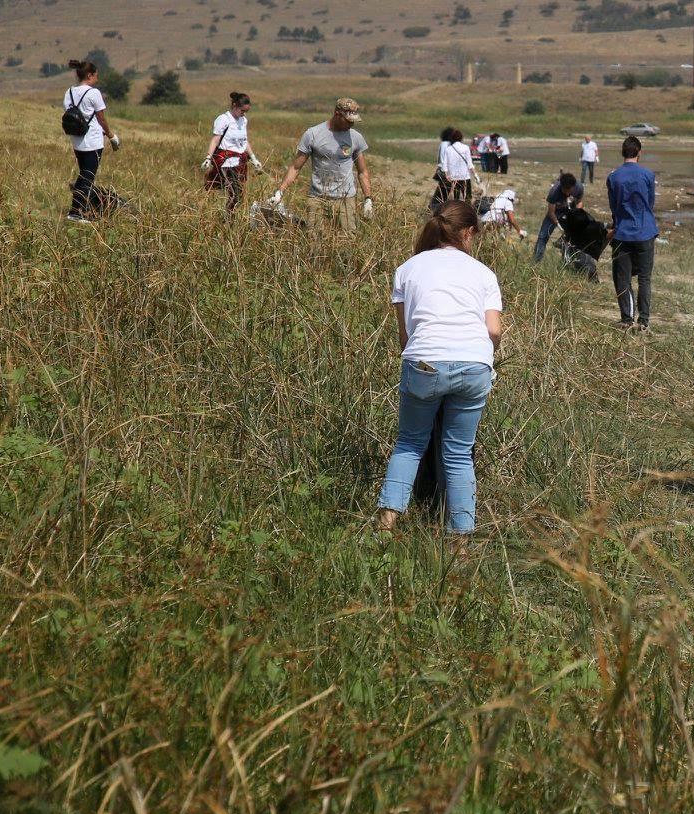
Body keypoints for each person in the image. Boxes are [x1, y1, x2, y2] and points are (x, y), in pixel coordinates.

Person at [374, 200, 503, 538]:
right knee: (459, 453)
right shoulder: (484, 273)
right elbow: (494, 331)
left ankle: (385, 528)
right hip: (475, 364)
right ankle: (460, 541)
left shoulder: (407, 269)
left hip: (425, 361)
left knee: (410, 444)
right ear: (467, 232)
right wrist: (485, 357)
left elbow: (405, 336)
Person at [270, 99, 374, 232]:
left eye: (353, 121)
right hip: (318, 198)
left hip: (345, 199)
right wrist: (280, 191)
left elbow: (362, 171)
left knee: (347, 240)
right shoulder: (313, 134)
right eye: (348, 120)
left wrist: (368, 199)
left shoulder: (355, 137)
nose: (351, 124)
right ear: (337, 114)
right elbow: (296, 167)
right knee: (315, 241)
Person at [606, 135, 657, 329]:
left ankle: (627, 318)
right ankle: (643, 320)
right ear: (639, 153)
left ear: (622, 152)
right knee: (644, 278)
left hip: (622, 233)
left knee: (622, 277)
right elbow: (650, 203)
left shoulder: (613, 177)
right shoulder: (647, 175)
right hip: (645, 230)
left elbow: (613, 206)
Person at [61, 58, 120, 222]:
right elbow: (101, 118)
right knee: (88, 177)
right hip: (93, 142)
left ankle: (75, 210)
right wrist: (111, 136)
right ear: (89, 75)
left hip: (77, 141)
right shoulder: (94, 93)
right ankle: (78, 213)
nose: (97, 79)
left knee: (83, 175)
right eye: (96, 76)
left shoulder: (69, 92)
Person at [202, 92, 264, 213]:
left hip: (240, 162)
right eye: (242, 110)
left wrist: (254, 158)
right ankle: (229, 220)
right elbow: (215, 140)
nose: (244, 113)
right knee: (236, 194)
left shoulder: (243, 120)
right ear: (234, 105)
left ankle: (229, 218)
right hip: (226, 161)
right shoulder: (223, 120)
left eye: (246, 111)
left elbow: (244, 142)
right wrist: (208, 158)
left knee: (237, 194)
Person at [532, 172, 580, 263]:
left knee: (572, 235)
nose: (566, 193)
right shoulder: (554, 191)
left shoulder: (579, 188)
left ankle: (568, 261)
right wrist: (558, 225)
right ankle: (536, 261)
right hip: (556, 211)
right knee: (543, 236)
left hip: (570, 210)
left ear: (573, 187)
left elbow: (580, 203)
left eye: (569, 190)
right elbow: (551, 212)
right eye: (564, 190)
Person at [438, 127, 474, 206]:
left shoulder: (449, 149)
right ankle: (469, 210)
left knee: (456, 197)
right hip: (465, 176)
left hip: (454, 176)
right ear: (461, 138)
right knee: (467, 196)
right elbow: (469, 163)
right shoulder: (466, 148)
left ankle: (458, 211)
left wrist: (447, 175)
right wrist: (475, 175)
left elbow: (445, 165)